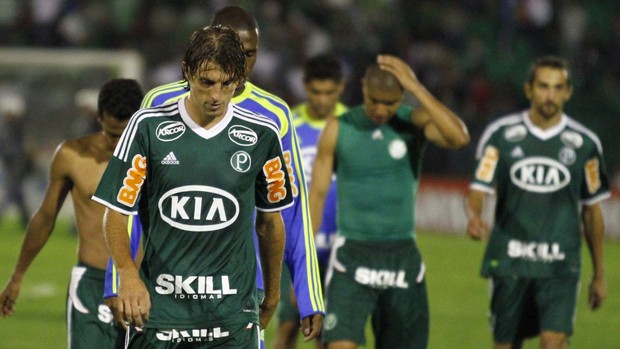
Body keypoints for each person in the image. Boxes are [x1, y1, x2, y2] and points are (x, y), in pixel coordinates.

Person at [104, 5, 325, 343]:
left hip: (237, 307)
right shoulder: (152, 117)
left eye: (227, 82)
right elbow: (122, 209)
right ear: (189, 70)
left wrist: (297, 293)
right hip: (162, 307)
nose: (217, 95)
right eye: (207, 82)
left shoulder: (268, 125)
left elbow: (282, 217)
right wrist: (122, 277)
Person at [310, 55, 470, 349]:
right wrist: (305, 263)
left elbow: (458, 137)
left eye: (391, 102)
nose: (381, 109)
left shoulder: (413, 124)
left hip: (401, 256)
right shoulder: (338, 128)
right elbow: (317, 196)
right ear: (362, 89)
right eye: (375, 100)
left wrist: (418, 89)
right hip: (352, 256)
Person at [465, 55, 609, 349]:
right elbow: (478, 189)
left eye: (558, 88)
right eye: (543, 86)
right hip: (510, 260)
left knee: (553, 342)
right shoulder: (501, 136)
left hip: (560, 263)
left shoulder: (586, 144)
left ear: (568, 92)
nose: (550, 95)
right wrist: (474, 216)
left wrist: (599, 274)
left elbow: (592, 211)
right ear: (528, 89)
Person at [0, 78, 144, 349]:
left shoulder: (159, 158)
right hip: (91, 285)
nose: (119, 144)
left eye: (126, 134)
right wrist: (17, 275)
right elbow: (45, 218)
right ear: (99, 118)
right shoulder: (72, 155)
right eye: (113, 134)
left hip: (141, 284)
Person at [274, 53, 347, 349]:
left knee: (329, 336)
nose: (322, 100)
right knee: (288, 327)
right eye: (316, 92)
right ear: (305, 87)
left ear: (340, 89)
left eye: (329, 92)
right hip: (297, 245)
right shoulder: (287, 124)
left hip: (341, 245)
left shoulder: (352, 124)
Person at [0, 92, 31, 228]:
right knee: (16, 192)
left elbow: (25, 146)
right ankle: (26, 220)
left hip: (18, 162)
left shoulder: (21, 126)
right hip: (9, 161)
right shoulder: (7, 127)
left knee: (12, 189)